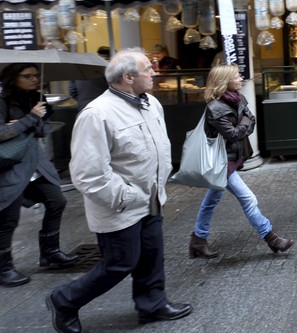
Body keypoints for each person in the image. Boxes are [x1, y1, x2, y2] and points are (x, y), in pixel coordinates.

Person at [46, 49, 192, 333]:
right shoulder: (97, 114)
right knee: (119, 264)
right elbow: (88, 174)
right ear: (128, 77)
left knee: (151, 255)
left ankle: (153, 304)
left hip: (151, 198)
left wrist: (156, 186)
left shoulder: (151, 103)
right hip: (119, 204)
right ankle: (64, 299)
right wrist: (127, 197)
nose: (154, 73)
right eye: (148, 69)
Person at [188, 65, 293, 260]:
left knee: (211, 201)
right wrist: (243, 122)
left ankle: (198, 240)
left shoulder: (238, 98)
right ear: (225, 81)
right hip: (222, 164)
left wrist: (243, 123)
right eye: (236, 76)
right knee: (248, 199)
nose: (240, 78)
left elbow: (250, 121)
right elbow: (234, 133)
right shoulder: (215, 108)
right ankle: (272, 238)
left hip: (232, 160)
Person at [0, 64, 78, 288]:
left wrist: (34, 120)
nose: (34, 79)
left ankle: (50, 252)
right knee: (7, 219)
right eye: (27, 76)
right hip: (10, 165)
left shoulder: (37, 99)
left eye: (35, 75)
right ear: (14, 78)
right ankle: (4, 268)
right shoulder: (3, 101)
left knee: (57, 201)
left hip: (36, 163)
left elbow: (43, 131)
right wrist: (29, 119)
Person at [69, 46, 110, 110]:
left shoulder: (79, 70)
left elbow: (72, 91)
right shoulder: (108, 70)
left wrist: (83, 100)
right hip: (105, 107)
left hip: (84, 107)